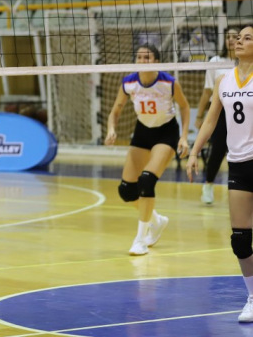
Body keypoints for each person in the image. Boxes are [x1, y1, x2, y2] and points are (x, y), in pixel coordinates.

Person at [187, 25, 253, 322]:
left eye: (247, 38)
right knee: (240, 240)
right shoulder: (223, 80)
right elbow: (211, 121)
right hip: (238, 164)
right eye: (238, 37)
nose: (239, 41)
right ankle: (252, 297)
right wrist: (193, 152)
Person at [105, 43, 190, 256]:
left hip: (166, 132)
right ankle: (156, 220)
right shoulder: (129, 82)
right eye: (140, 57)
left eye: (147, 57)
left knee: (147, 180)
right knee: (126, 190)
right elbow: (115, 111)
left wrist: (183, 137)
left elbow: (185, 106)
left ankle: (140, 240)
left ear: (157, 61)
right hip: (142, 131)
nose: (143, 61)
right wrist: (111, 129)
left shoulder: (168, 83)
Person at [195, 27, 240, 204]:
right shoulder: (216, 61)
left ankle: (240, 189)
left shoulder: (247, 61)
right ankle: (208, 185)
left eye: (235, 37)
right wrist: (199, 116)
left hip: (244, 114)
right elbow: (207, 91)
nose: (231, 40)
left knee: (242, 153)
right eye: (228, 37)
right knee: (217, 151)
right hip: (221, 114)